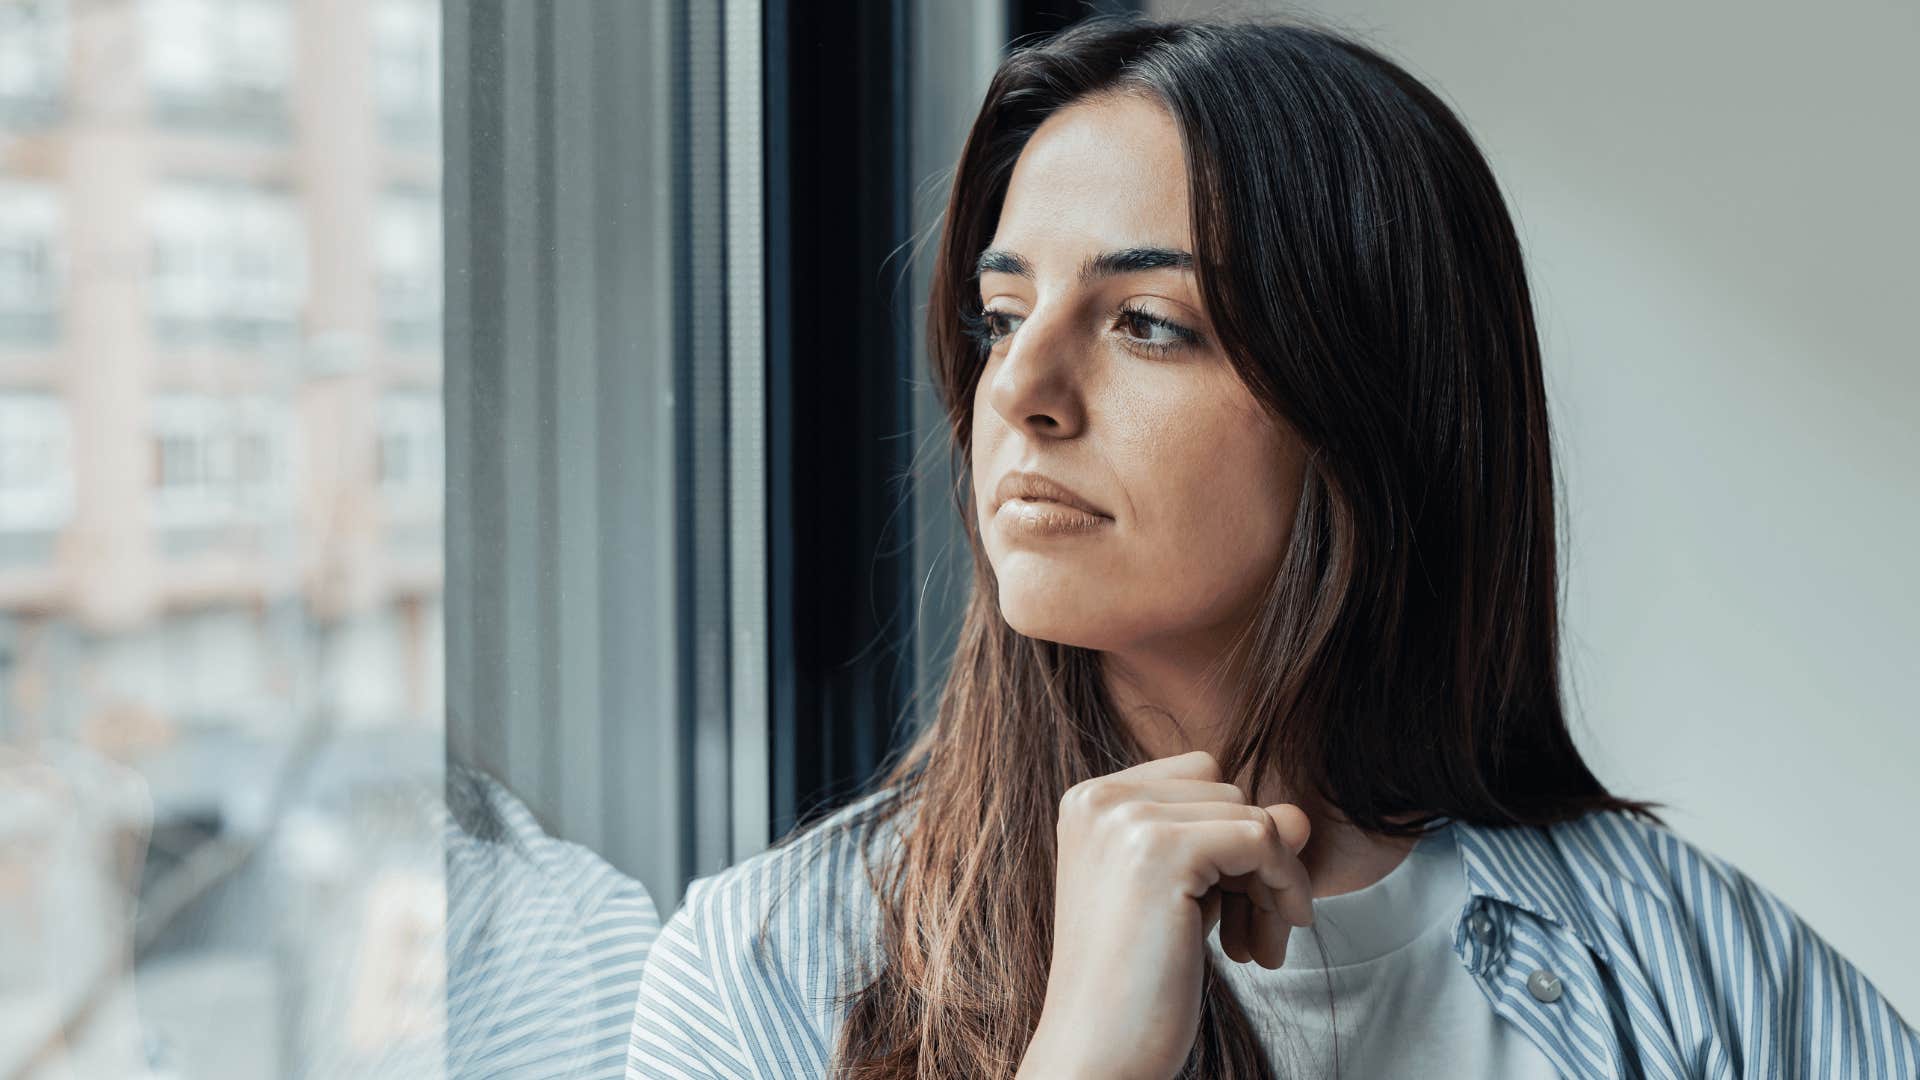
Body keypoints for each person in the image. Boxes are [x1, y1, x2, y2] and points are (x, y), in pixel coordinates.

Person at [626, 13, 1919, 1079]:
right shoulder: (763, 977)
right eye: (1000, 316)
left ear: (1367, 405)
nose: (1022, 389)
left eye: (1145, 323)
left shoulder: (1686, 964)